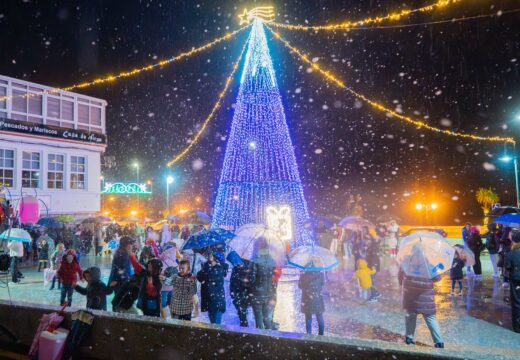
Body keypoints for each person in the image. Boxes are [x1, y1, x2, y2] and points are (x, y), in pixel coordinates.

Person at [399, 269, 444, 348]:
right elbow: (437, 278)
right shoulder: (428, 264)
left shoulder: (407, 262)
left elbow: (400, 276)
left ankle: (409, 338)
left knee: (410, 316)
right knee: (430, 318)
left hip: (410, 295)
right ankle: (439, 342)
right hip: (426, 296)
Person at [250, 238, 278, 329]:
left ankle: (260, 339)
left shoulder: (255, 259)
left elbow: (252, 278)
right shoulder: (271, 259)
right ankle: (268, 338)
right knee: (266, 319)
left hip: (257, 293)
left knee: (259, 319)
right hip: (269, 293)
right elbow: (273, 275)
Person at [197, 251, 228, 324]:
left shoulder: (219, 269)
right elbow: (199, 277)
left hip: (216, 300)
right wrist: (206, 266)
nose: (209, 256)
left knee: (216, 324)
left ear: (216, 258)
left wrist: (205, 268)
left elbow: (208, 278)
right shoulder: (208, 267)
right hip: (209, 299)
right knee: (212, 322)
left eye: (211, 255)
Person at [129, 253, 163, 317]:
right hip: (145, 303)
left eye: (151, 265)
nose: (149, 266)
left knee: (153, 320)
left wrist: (150, 284)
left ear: (156, 268)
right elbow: (136, 265)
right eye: (148, 264)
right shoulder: (144, 273)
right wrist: (131, 255)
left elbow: (153, 293)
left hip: (153, 305)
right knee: (146, 316)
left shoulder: (158, 279)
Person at [109, 236, 135, 311]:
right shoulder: (123, 254)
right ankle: (117, 315)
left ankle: (116, 314)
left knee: (118, 298)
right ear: (126, 244)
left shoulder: (121, 252)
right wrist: (127, 281)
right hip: (121, 282)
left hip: (119, 281)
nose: (132, 245)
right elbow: (120, 269)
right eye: (131, 243)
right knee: (121, 299)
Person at [299, 270, 325, 335]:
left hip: (307, 299)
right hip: (317, 298)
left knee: (308, 317)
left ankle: (309, 334)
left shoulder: (304, 275)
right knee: (319, 316)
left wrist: (301, 275)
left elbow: (300, 286)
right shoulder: (320, 274)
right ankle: (321, 335)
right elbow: (323, 283)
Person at [230, 259, 254, 327]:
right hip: (238, 291)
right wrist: (231, 291)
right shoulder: (235, 268)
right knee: (239, 307)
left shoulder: (249, 267)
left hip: (245, 291)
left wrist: (250, 292)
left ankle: (244, 323)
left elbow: (251, 281)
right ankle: (243, 322)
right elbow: (232, 280)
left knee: (243, 308)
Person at [159, 243, 179, 318]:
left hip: (163, 288)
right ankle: (174, 320)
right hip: (173, 287)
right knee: (172, 304)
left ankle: (164, 321)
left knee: (163, 305)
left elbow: (160, 275)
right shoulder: (175, 262)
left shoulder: (161, 263)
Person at [505, 232, 520, 333]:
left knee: (517, 303)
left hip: (516, 280)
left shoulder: (511, 253)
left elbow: (507, 268)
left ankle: (518, 327)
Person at [366, 234, 382, 300]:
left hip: (373, 267)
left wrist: (373, 266)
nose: (366, 241)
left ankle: (374, 296)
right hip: (371, 266)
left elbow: (375, 257)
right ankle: (376, 293)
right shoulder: (372, 246)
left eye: (368, 240)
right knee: (371, 281)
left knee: (371, 281)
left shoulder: (374, 246)